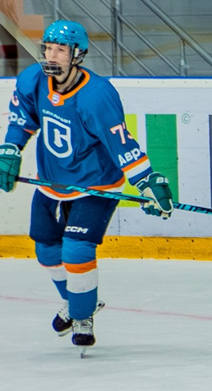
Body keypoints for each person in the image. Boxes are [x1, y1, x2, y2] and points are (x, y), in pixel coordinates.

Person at [0, 19, 175, 350]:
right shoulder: (34, 80)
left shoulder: (97, 95)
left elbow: (121, 144)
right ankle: (81, 301)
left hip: (97, 183)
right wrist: (10, 148)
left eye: (60, 49)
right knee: (46, 250)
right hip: (52, 181)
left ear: (77, 55)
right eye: (48, 47)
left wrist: (147, 181)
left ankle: (82, 315)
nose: (51, 55)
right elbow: (23, 117)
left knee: (76, 250)